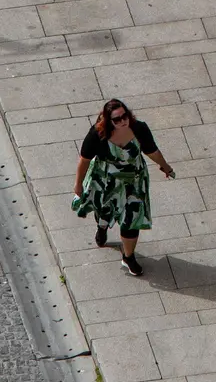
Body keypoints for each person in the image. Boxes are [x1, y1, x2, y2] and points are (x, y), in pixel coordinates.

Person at [72, 98, 174, 276]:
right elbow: (84, 160)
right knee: (105, 211)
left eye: (124, 116)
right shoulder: (98, 134)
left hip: (134, 181)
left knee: (131, 219)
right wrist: (78, 184)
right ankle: (102, 228)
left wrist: (166, 167)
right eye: (116, 119)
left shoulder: (139, 128)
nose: (122, 121)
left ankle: (128, 257)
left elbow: (152, 151)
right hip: (106, 181)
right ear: (107, 120)